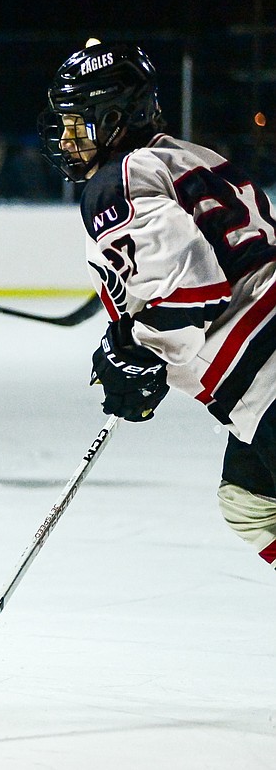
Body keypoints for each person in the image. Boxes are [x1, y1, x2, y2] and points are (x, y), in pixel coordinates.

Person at [39, 41, 276, 568]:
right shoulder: (187, 155)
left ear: (116, 118)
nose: (68, 138)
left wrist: (134, 346)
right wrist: (140, 352)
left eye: (79, 122)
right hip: (260, 368)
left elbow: (192, 290)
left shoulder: (115, 181)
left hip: (267, 376)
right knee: (248, 502)